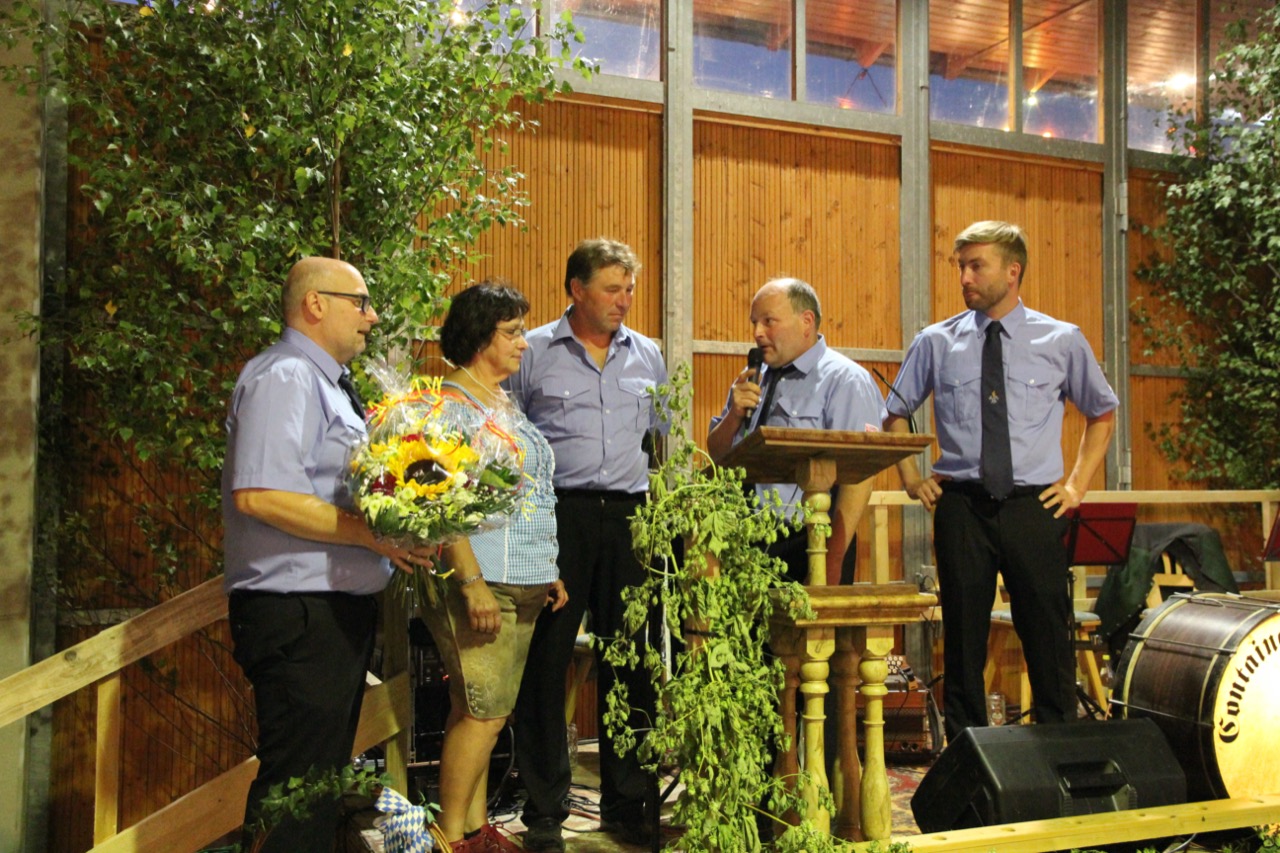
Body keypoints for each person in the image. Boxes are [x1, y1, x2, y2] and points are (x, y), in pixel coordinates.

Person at [223, 257, 433, 853]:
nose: (372, 316)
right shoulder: (286, 376)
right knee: (296, 792)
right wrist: (369, 535)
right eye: (360, 302)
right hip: (299, 611)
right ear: (315, 304)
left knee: (315, 793)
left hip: (327, 610)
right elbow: (260, 494)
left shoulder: (328, 383)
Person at [882, 220, 1118, 739]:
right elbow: (894, 414)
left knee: (1048, 638)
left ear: (1013, 271)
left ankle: (1058, 753)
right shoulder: (935, 342)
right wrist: (911, 478)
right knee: (962, 642)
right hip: (962, 508)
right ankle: (967, 758)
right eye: (960, 266)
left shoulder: (1061, 340)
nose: (964, 277)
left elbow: (1102, 413)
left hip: (1035, 508)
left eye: (976, 266)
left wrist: (1076, 486)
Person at [506, 238, 668, 851]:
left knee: (632, 661)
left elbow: (660, 441)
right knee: (546, 663)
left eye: (629, 289)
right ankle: (544, 810)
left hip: (631, 518)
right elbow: (509, 442)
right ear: (576, 290)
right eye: (611, 289)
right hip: (557, 517)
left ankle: (629, 804)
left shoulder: (648, 354)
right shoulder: (533, 352)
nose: (624, 300)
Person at [424, 281, 570, 853]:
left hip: (523, 579)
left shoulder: (501, 400)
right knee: (482, 714)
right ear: (480, 336)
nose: (523, 343)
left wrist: (547, 565)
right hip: (484, 580)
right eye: (512, 332)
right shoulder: (452, 406)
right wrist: (471, 582)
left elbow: (529, 493)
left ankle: (474, 829)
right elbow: (441, 503)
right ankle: (447, 838)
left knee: (486, 713)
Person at [707, 277, 885, 585]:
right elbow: (717, 454)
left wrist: (832, 561)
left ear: (806, 322)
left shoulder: (845, 380)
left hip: (810, 542)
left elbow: (858, 479)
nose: (757, 332)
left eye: (768, 321)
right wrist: (734, 416)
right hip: (749, 540)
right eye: (754, 322)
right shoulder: (752, 378)